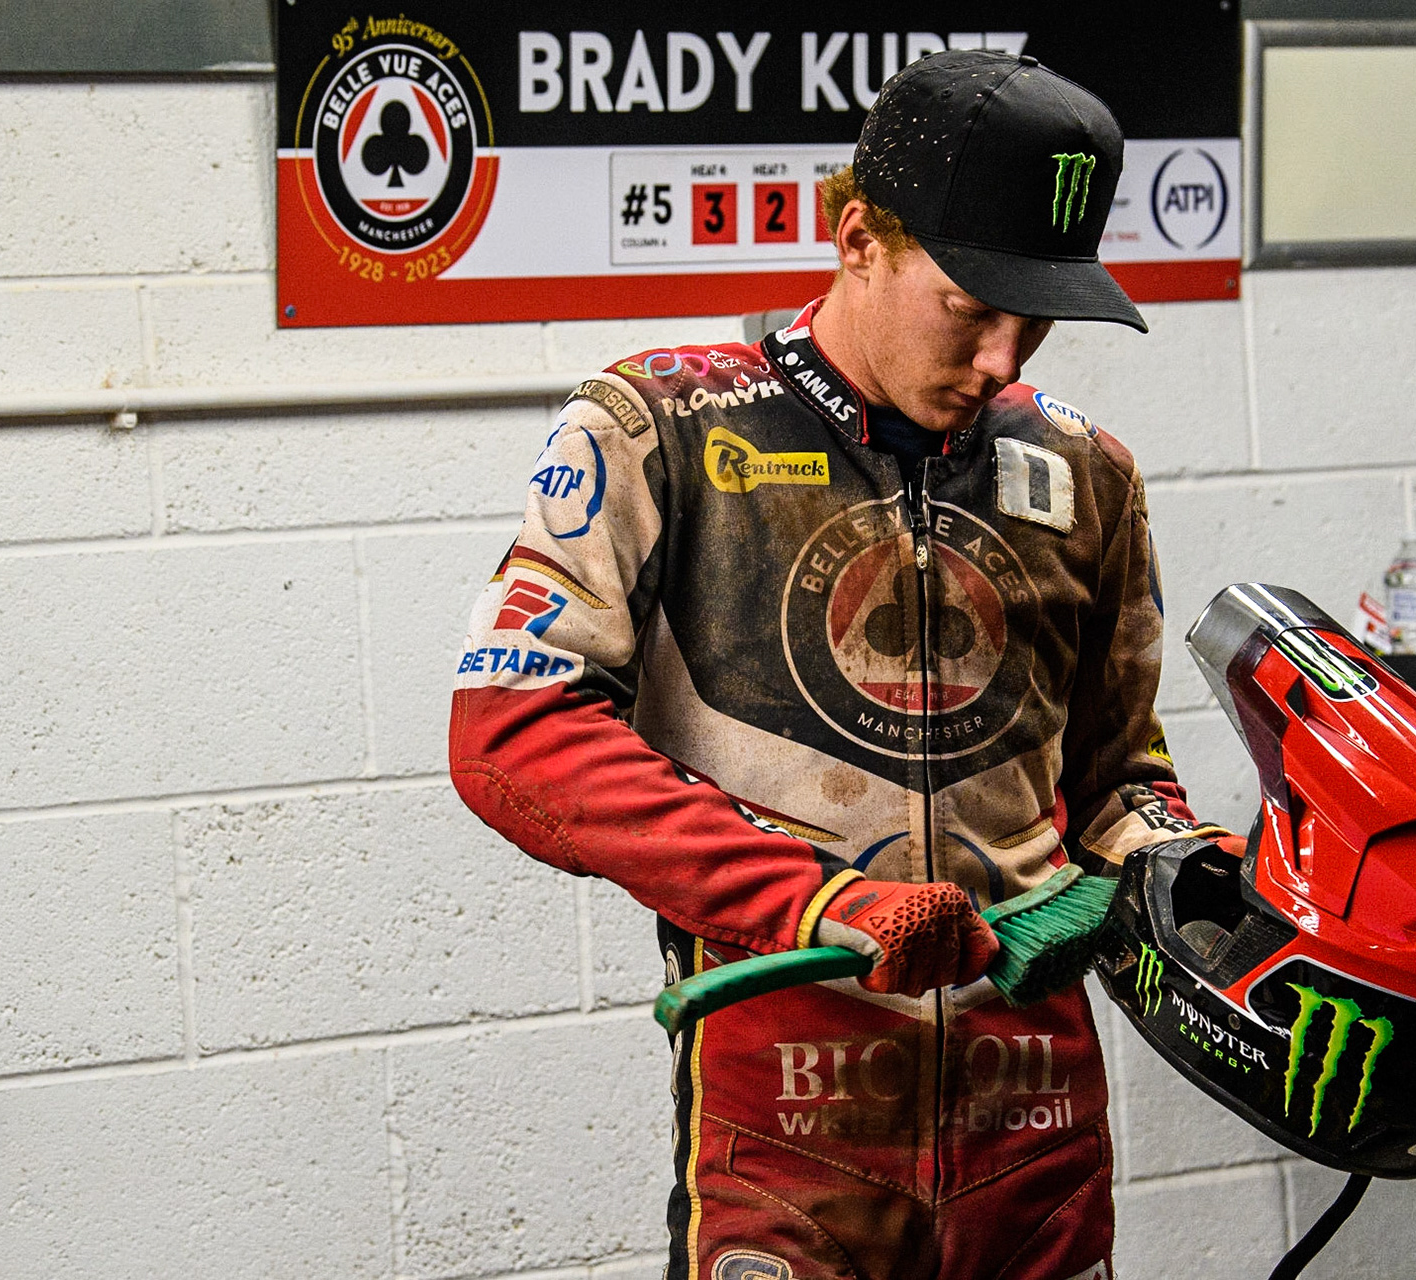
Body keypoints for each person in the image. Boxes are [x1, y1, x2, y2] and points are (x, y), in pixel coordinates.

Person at [450, 49, 1230, 1280]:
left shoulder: (1090, 475)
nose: (1004, 361)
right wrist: (820, 901)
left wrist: (1197, 883)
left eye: (1036, 317)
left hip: (1039, 1133)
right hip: (787, 1133)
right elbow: (513, 729)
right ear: (858, 235)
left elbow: (1119, 783)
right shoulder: (664, 422)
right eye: (971, 306)